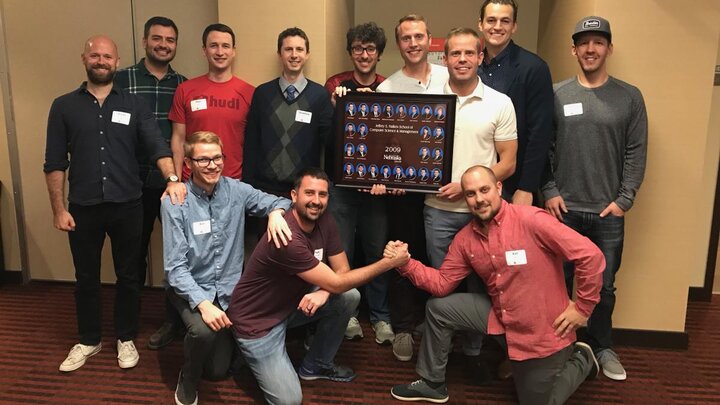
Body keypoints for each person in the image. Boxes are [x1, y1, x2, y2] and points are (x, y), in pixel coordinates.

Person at [390, 165, 605, 404]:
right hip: (502, 317)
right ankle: (432, 383)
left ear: (499, 188)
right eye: (471, 193)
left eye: (484, 190)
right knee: (439, 308)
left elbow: (590, 256)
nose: (479, 199)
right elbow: (442, 284)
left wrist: (582, 308)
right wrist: (405, 262)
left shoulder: (531, 219)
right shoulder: (465, 240)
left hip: (544, 331)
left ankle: (582, 358)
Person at [44, 35, 185, 372]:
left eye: (108, 56)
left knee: (129, 276)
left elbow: (157, 146)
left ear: (117, 62)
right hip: (83, 207)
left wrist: (173, 179)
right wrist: (59, 209)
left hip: (128, 206)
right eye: (95, 56)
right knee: (86, 278)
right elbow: (54, 162)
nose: (102, 61)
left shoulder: (134, 106)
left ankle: (125, 338)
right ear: (84, 59)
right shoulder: (63, 106)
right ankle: (89, 340)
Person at [227, 168, 410, 405]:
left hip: (290, 305)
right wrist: (388, 263)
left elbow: (341, 270)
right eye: (309, 193)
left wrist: (325, 291)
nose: (316, 201)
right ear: (294, 196)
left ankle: (316, 365)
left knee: (349, 297)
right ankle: (245, 352)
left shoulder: (325, 220)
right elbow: (337, 280)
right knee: (289, 401)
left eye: (322, 195)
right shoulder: (287, 237)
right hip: (257, 322)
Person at [542, 15, 648, 382]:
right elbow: (545, 149)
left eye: (598, 42)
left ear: (609, 48)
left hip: (608, 213)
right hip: (563, 212)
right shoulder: (556, 94)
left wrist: (624, 200)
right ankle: (561, 347)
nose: (590, 49)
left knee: (603, 286)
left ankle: (603, 346)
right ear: (573, 50)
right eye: (583, 43)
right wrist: (550, 191)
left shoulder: (629, 97)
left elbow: (636, 150)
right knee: (557, 283)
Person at [162, 132, 292, 405]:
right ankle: (188, 377)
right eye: (203, 159)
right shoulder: (175, 202)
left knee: (218, 371)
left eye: (217, 158)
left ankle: (224, 346)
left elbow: (282, 202)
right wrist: (203, 304)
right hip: (192, 287)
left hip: (232, 289)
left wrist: (275, 214)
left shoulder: (237, 190)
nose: (212, 165)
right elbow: (175, 269)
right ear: (188, 162)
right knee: (203, 331)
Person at [376, 14, 450, 361]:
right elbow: (380, 145)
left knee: (443, 257)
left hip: (445, 191)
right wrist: (379, 178)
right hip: (402, 191)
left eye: (419, 36)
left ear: (429, 38)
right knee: (403, 252)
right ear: (399, 44)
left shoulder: (451, 80)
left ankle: (438, 323)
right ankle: (404, 326)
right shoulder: (387, 88)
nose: (413, 43)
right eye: (406, 38)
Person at [114, 16, 188, 350]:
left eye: (170, 40)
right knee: (132, 257)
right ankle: (127, 329)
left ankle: (174, 322)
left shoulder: (184, 85)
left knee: (180, 255)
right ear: (145, 41)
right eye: (157, 38)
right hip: (131, 183)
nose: (163, 45)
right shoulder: (120, 80)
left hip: (173, 185)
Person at [323, 22, 394, 344]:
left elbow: (396, 140)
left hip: (376, 187)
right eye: (357, 49)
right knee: (343, 252)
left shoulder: (388, 87)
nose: (364, 55)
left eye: (370, 49)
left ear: (378, 53)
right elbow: (324, 133)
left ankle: (380, 317)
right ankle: (347, 313)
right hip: (341, 186)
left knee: (377, 252)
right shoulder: (335, 85)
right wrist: (339, 107)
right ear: (350, 52)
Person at [477, 0, 554, 206]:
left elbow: (540, 133)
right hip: (473, 184)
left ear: (514, 26)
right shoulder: (470, 67)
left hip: (514, 185)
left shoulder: (534, 68)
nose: (497, 27)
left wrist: (527, 187)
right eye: (491, 20)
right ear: (480, 24)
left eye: (505, 21)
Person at [243, 27, 333, 198]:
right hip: (263, 190)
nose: (294, 55)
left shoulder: (319, 96)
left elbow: (328, 144)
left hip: (303, 192)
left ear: (307, 54)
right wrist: (248, 187)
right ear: (280, 54)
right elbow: (251, 142)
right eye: (288, 49)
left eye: (299, 49)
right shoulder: (262, 93)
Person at [169, 23, 254, 181]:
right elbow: (178, 139)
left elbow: (254, 144)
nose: (220, 52)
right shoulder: (185, 90)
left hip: (234, 183)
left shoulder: (250, 93)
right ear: (204, 50)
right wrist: (177, 180)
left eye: (226, 46)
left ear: (233, 51)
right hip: (192, 183)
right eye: (214, 46)